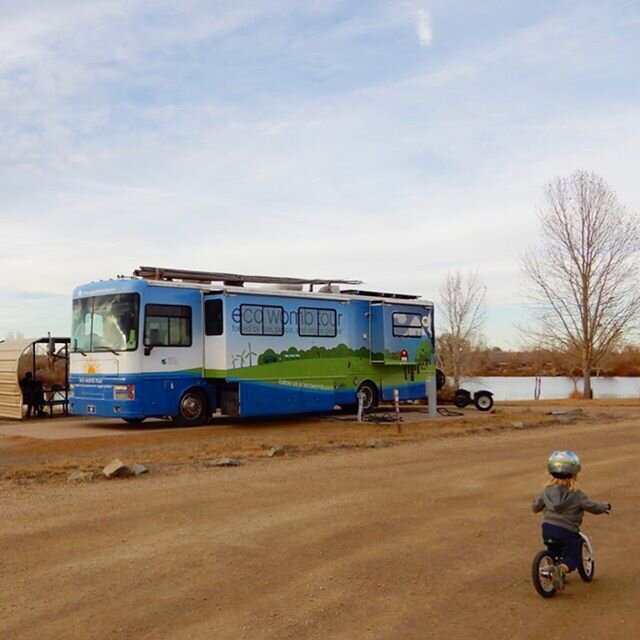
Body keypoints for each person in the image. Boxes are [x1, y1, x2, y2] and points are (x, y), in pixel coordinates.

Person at [532, 450, 610, 588]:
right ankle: (561, 571)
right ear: (574, 473)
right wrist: (604, 507)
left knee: (553, 550)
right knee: (574, 556)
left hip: (547, 529)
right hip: (567, 531)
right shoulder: (576, 494)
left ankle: (552, 567)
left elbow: (535, 507)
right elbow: (592, 506)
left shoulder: (546, 492)